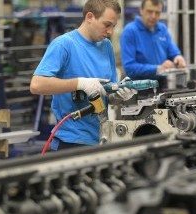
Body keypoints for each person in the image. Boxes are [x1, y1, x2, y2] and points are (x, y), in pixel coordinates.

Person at [30, 0, 134, 151]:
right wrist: (79, 83)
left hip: (100, 138)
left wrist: (117, 96)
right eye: (107, 24)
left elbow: (107, 95)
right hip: (70, 142)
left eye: (113, 26)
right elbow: (37, 85)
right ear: (90, 17)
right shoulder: (64, 44)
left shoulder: (106, 46)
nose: (110, 31)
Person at [120, 0, 186, 89]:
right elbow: (129, 68)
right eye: (150, 11)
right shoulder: (130, 32)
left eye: (157, 13)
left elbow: (173, 52)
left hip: (161, 85)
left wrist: (178, 58)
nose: (153, 16)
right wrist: (157, 69)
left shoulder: (162, 29)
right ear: (141, 10)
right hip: (139, 87)